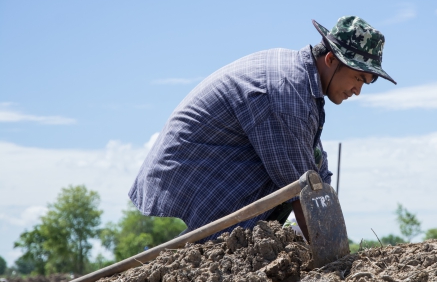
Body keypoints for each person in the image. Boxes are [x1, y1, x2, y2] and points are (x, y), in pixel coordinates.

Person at [128, 16, 396, 241]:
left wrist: (330, 227)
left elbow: (315, 171)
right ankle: (218, 248)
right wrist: (332, 255)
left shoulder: (301, 84)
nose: (357, 91)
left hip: (216, 163)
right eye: (357, 77)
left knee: (305, 167)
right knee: (293, 180)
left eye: (365, 82)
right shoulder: (287, 92)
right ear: (330, 60)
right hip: (193, 169)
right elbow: (300, 188)